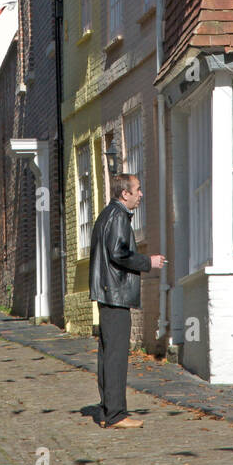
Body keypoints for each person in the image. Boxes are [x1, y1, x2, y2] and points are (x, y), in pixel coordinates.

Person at [89, 173, 166, 429]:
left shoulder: (107, 214)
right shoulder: (118, 216)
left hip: (108, 292)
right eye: (138, 190)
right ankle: (116, 415)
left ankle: (107, 411)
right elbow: (119, 253)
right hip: (115, 294)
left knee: (108, 354)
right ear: (125, 193)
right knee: (116, 356)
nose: (141, 195)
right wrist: (148, 262)